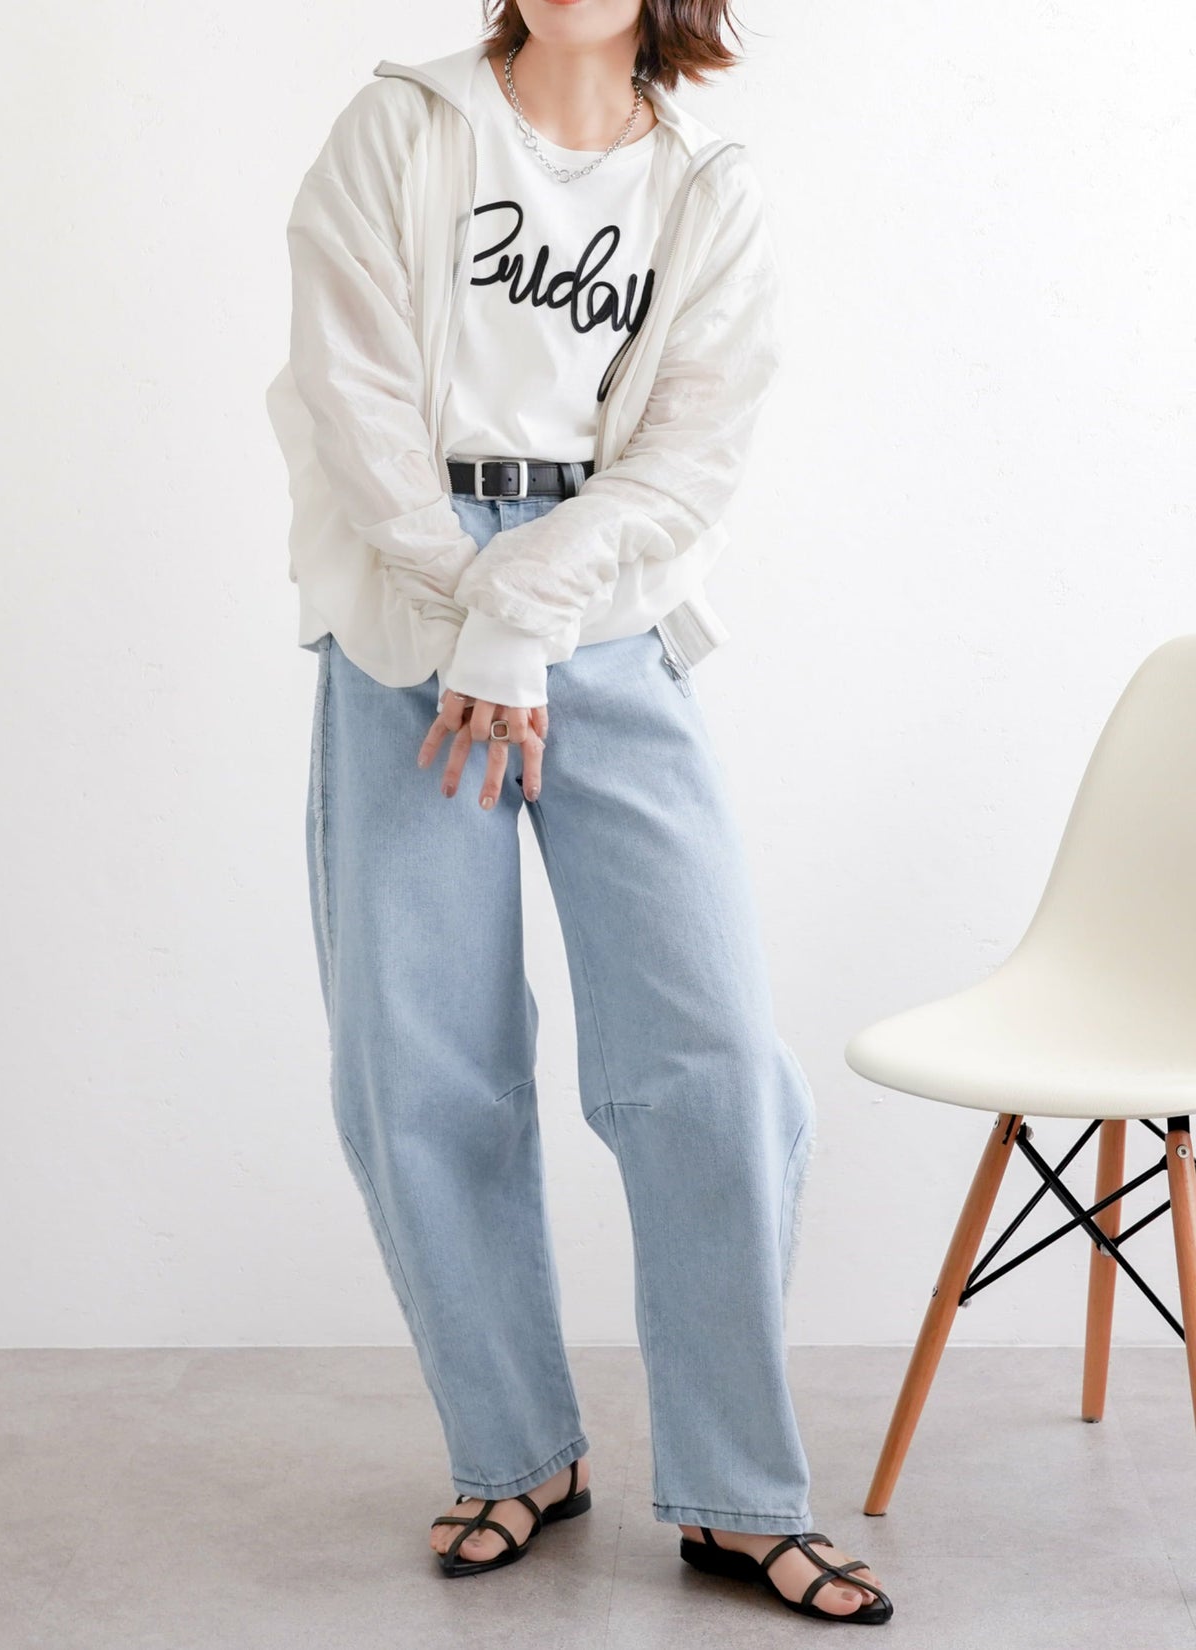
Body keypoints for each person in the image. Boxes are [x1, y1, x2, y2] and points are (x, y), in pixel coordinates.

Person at [266, 0, 893, 1626]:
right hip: (405, 617)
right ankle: (514, 1453)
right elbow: (350, 399)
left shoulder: (708, 187)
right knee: (421, 1061)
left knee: (713, 1059)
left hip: (608, 614)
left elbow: (689, 458)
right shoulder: (400, 129)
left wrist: (528, 615)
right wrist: (468, 610)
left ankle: (740, 1492)